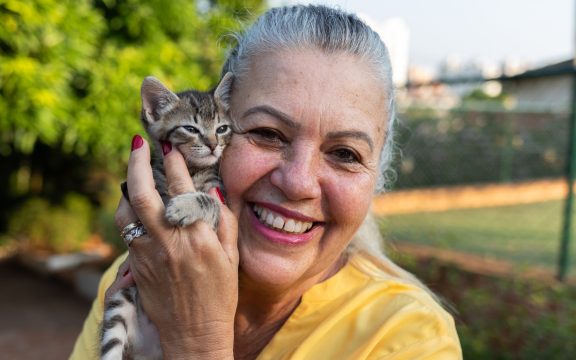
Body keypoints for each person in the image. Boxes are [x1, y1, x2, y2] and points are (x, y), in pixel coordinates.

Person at [71, 4, 462, 359]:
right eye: (268, 134)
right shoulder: (147, 269)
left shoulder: (412, 340)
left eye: (345, 154)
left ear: (377, 179)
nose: (298, 183)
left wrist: (199, 343)